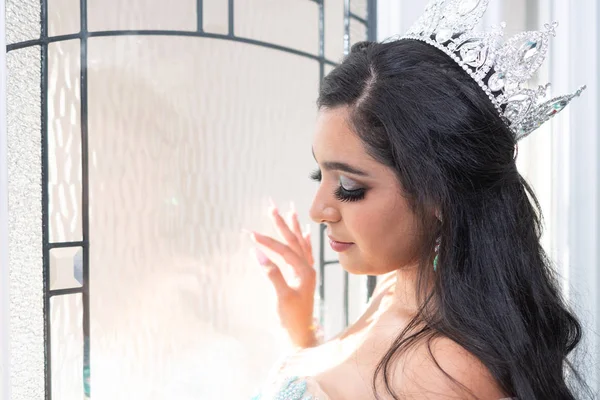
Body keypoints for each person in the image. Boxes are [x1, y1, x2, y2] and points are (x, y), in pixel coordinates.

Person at [247, 1, 591, 399]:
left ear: (438, 196)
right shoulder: (393, 288)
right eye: (318, 174)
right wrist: (301, 327)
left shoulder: (446, 375)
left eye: (348, 185)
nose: (317, 210)